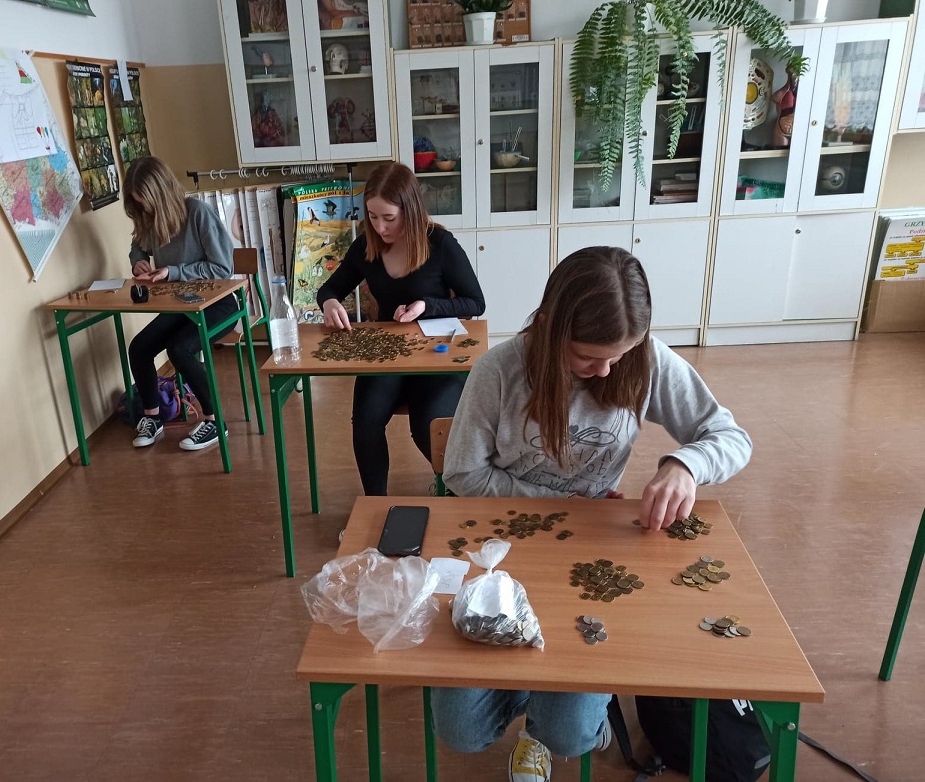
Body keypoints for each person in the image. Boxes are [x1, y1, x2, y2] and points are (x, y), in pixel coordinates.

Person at [434, 246, 753, 782]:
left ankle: (550, 724)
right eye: (588, 357)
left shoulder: (644, 359)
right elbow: (463, 474)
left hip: (594, 547)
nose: (606, 370)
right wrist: (565, 506)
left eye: (619, 356)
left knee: (568, 734)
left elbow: (730, 436)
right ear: (550, 329)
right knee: (462, 730)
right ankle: (545, 692)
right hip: (504, 544)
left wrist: (686, 464)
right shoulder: (500, 370)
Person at [316, 161, 485, 496]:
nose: (380, 227)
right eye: (372, 216)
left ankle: (456, 492)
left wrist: (427, 306)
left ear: (410, 210)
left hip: (437, 355)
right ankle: (375, 504)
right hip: (388, 356)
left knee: (427, 427)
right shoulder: (366, 247)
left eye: (389, 218)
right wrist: (330, 303)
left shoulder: (440, 244)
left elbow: (475, 303)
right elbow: (329, 289)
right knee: (366, 422)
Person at [124, 156, 239, 452]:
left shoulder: (198, 212)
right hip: (182, 306)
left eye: (147, 203)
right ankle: (153, 418)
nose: (145, 210)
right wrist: (138, 261)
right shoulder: (150, 218)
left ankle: (215, 421)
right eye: (139, 205)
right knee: (139, 348)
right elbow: (138, 244)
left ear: (161, 194)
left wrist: (172, 272)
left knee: (180, 349)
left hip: (219, 303)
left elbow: (222, 268)